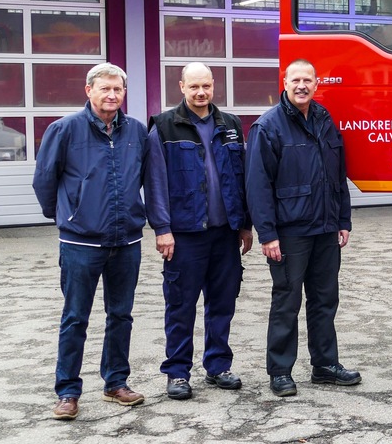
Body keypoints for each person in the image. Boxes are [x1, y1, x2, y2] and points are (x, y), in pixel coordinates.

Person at [33, 63, 150, 420]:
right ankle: (67, 391)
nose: (111, 95)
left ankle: (116, 383)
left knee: (121, 316)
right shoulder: (65, 129)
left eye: (117, 90)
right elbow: (44, 181)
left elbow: (146, 179)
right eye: (104, 89)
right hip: (81, 244)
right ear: (89, 90)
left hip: (126, 241)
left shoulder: (136, 132)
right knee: (75, 318)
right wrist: (67, 216)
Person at [246, 59, 360, 397]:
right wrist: (267, 234)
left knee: (325, 300)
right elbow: (257, 185)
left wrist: (343, 220)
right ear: (284, 81)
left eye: (307, 80)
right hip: (290, 231)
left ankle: (325, 365)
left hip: (325, 228)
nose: (302, 86)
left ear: (316, 83)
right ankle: (280, 371)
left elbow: (337, 176)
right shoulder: (268, 126)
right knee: (287, 301)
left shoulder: (324, 119)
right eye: (295, 79)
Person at [146, 62, 253, 400]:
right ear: (181, 86)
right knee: (181, 305)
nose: (201, 93)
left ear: (213, 85)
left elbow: (242, 178)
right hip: (185, 234)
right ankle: (177, 373)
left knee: (223, 303)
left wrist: (245, 225)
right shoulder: (164, 126)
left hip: (225, 233)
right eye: (194, 87)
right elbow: (155, 184)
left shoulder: (231, 124)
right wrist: (162, 228)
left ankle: (218, 365)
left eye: (206, 86)